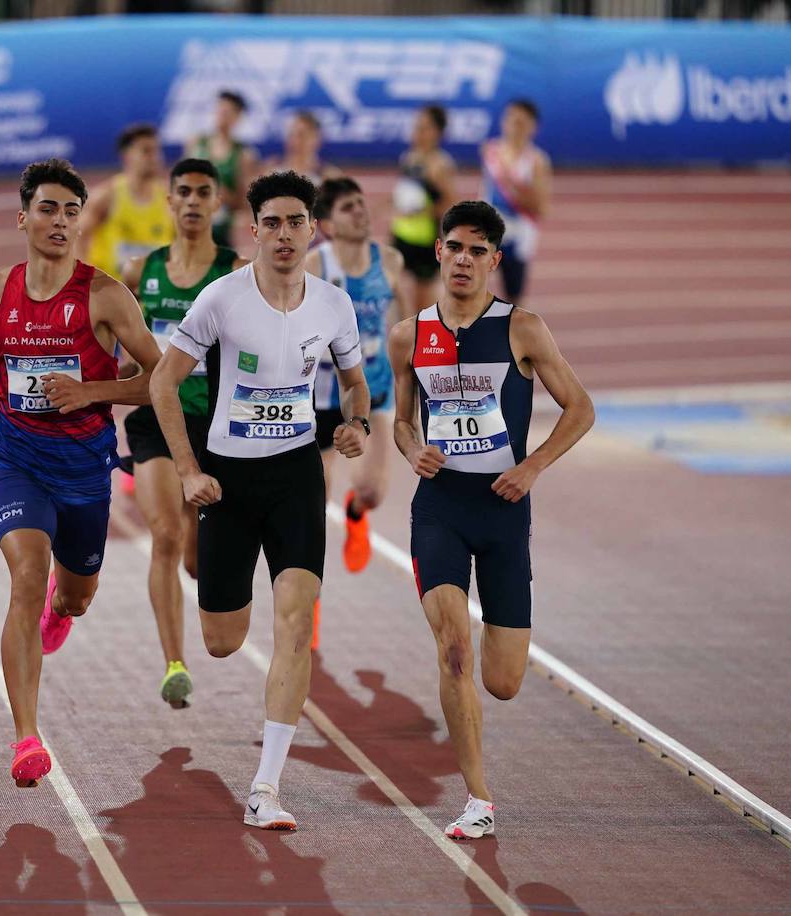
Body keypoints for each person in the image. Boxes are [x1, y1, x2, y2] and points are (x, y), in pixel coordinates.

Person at [0, 159, 162, 789]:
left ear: (81, 221)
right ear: (23, 217)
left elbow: (161, 380)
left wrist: (91, 390)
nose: (60, 221)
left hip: (84, 468)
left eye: (71, 211)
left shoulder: (106, 297)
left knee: (73, 593)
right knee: (25, 576)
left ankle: (66, 605)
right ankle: (26, 736)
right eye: (49, 209)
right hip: (15, 456)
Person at [150, 170, 370, 831]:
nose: (282, 234)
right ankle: (206, 562)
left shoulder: (334, 303)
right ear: (253, 232)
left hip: (298, 478)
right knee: (222, 640)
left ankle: (267, 787)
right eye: (269, 223)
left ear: (312, 229)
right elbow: (163, 384)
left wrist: (355, 423)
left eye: (294, 222)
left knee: (297, 626)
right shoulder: (221, 300)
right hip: (229, 482)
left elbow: (357, 386)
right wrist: (188, 472)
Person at [386, 200, 593, 840]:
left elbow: (580, 409)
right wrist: (410, 445)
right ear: (440, 253)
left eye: (479, 250)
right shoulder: (407, 335)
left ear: (494, 261)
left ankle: (483, 725)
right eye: (455, 247)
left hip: (504, 511)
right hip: (440, 509)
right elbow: (399, 419)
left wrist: (531, 469)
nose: (465, 259)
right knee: (453, 651)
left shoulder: (523, 329)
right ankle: (478, 798)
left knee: (501, 680)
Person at [118, 158, 248, 709]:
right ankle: (174, 663)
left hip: (213, 428)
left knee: (197, 559)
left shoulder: (236, 271)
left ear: (217, 204)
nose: (193, 202)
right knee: (165, 537)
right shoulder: (138, 272)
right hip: (154, 420)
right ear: (168, 202)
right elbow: (118, 356)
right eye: (184, 193)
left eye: (203, 193)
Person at [306, 177, 411, 603]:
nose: (361, 212)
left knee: (372, 492)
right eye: (349, 207)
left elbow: (400, 317)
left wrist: (412, 363)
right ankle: (307, 610)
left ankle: (355, 513)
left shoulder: (389, 260)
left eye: (362, 204)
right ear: (328, 223)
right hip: (321, 394)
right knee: (314, 508)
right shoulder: (315, 267)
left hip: (373, 388)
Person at [479, 100, 552, 308]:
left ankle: (512, 337)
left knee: (514, 297)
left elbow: (541, 207)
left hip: (518, 237)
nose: (514, 126)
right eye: (510, 119)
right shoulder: (490, 151)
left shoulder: (536, 161)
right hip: (488, 232)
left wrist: (514, 189)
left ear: (532, 127)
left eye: (520, 122)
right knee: (474, 284)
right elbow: (485, 188)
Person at [79, 123, 173, 280]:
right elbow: (77, 236)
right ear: (126, 155)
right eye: (146, 151)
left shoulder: (168, 198)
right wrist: (86, 280)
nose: (154, 157)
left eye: (157, 150)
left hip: (151, 295)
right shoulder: (107, 196)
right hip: (112, 293)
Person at [391, 105, 457, 315]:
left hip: (425, 240)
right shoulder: (409, 157)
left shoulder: (440, 165)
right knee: (394, 292)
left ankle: (424, 343)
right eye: (417, 126)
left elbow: (449, 206)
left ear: (437, 133)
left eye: (424, 128)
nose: (418, 132)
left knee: (423, 304)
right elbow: (403, 194)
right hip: (401, 235)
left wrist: (420, 213)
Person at [186, 90, 260, 249]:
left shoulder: (243, 155)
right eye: (219, 110)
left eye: (227, 112)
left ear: (237, 117)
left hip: (224, 221)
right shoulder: (196, 144)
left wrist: (223, 193)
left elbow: (244, 202)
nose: (221, 116)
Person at [263, 110, 342, 187]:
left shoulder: (330, 177)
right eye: (291, 135)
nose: (295, 141)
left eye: (302, 135)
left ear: (317, 139)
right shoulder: (271, 173)